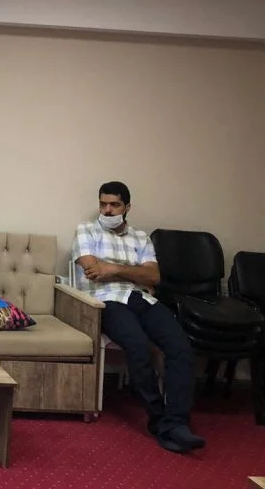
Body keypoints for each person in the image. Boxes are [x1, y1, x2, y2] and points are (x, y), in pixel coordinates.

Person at [70, 180, 203, 453]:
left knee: (180, 347)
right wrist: (133, 272)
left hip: (143, 299)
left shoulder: (141, 238)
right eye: (103, 204)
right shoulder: (86, 230)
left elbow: (154, 277)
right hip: (106, 301)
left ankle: (177, 422)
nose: (107, 210)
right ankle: (159, 420)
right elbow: (93, 270)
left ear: (127, 207)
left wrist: (112, 268)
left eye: (114, 205)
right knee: (138, 346)